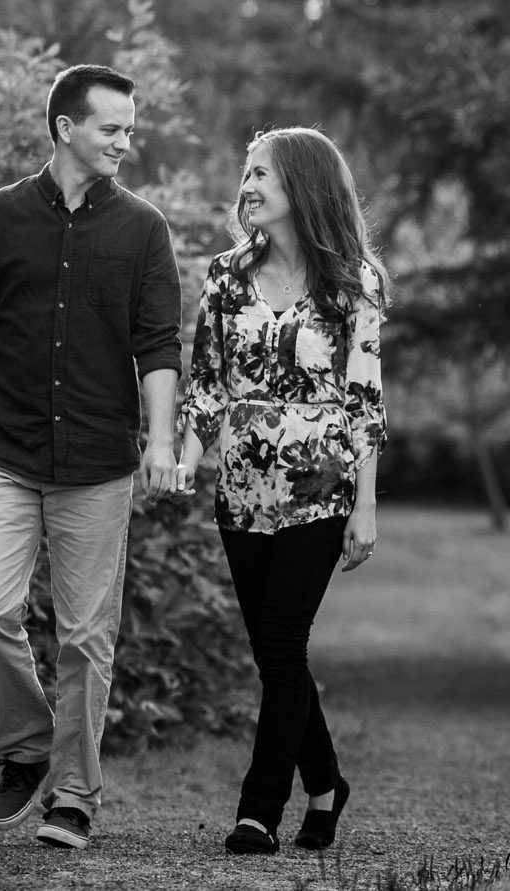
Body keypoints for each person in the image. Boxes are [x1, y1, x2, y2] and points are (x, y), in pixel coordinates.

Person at [0, 64, 185, 851]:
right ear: (67, 127)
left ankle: (73, 796)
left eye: (130, 129)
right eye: (113, 128)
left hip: (100, 464)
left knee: (84, 636)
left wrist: (163, 438)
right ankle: (27, 745)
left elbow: (159, 344)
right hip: (3, 452)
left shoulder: (143, 229)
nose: (125, 142)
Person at [177, 126, 388, 855]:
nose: (249, 185)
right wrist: (186, 454)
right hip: (242, 490)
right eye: (247, 172)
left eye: (262, 172)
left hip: (319, 489)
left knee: (280, 638)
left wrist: (364, 504)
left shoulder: (352, 283)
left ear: (302, 184)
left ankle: (258, 809)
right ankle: (327, 784)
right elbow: (207, 385)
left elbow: (365, 403)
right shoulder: (224, 276)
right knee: (277, 655)